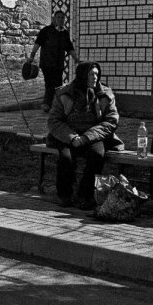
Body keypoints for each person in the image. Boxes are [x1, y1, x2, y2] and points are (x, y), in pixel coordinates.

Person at [46, 61, 120, 209]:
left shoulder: (105, 94)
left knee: (97, 155)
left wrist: (86, 138)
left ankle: (86, 195)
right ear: (82, 75)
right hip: (67, 135)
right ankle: (64, 195)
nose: (95, 77)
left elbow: (111, 121)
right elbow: (54, 121)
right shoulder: (64, 93)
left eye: (97, 74)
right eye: (91, 74)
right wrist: (72, 138)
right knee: (66, 158)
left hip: (92, 135)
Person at [28, 10, 79, 112]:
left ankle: (56, 105)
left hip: (58, 64)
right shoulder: (46, 31)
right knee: (50, 83)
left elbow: (69, 48)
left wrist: (76, 59)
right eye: (58, 17)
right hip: (47, 63)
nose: (60, 20)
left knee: (58, 84)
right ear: (54, 19)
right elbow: (37, 44)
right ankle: (46, 104)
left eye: (62, 18)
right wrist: (32, 56)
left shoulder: (64, 33)